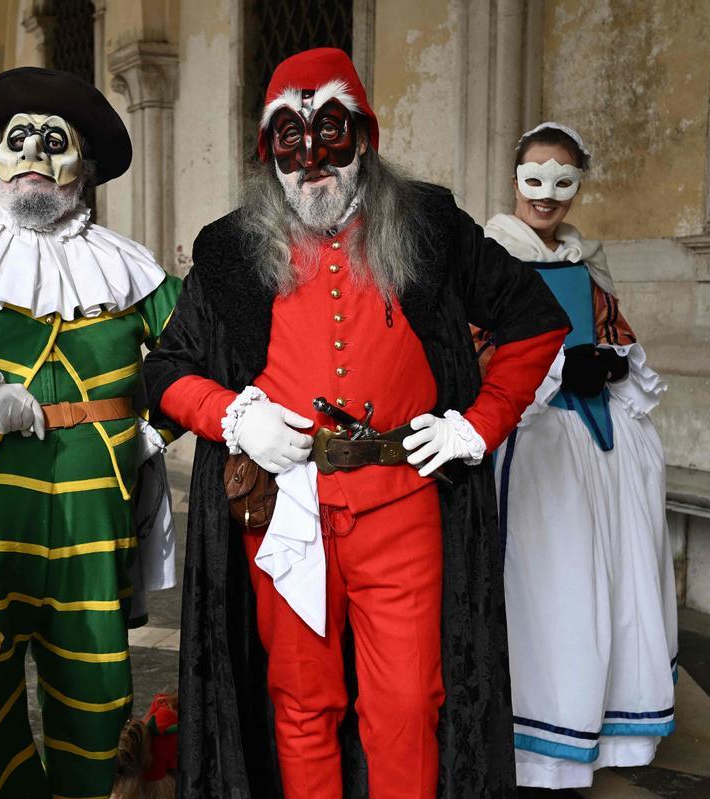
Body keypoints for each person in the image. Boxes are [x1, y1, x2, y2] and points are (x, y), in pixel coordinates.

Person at [142, 48, 571, 798]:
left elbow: (535, 321)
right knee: (302, 703)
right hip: (283, 514)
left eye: (329, 134)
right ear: (267, 154)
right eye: (289, 140)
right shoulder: (229, 248)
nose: (311, 160)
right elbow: (168, 370)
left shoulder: (430, 223)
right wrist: (235, 416)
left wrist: (479, 423)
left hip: (402, 502)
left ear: (363, 137)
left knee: (407, 703)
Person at [0, 67, 182, 799]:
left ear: (81, 169)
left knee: (95, 691)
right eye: (18, 139)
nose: (33, 154)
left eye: (55, 144)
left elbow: (199, 355)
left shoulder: (129, 270)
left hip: (92, 520)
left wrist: (150, 429)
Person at [482, 122, 678, 791]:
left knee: (609, 586)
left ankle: (602, 729)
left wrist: (610, 364)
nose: (548, 194)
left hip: (596, 448)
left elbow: (616, 334)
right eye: (535, 177)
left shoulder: (587, 261)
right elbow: (477, 349)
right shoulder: (488, 257)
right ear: (515, 179)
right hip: (530, 443)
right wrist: (558, 373)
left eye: (563, 179)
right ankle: (539, 740)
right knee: (552, 591)